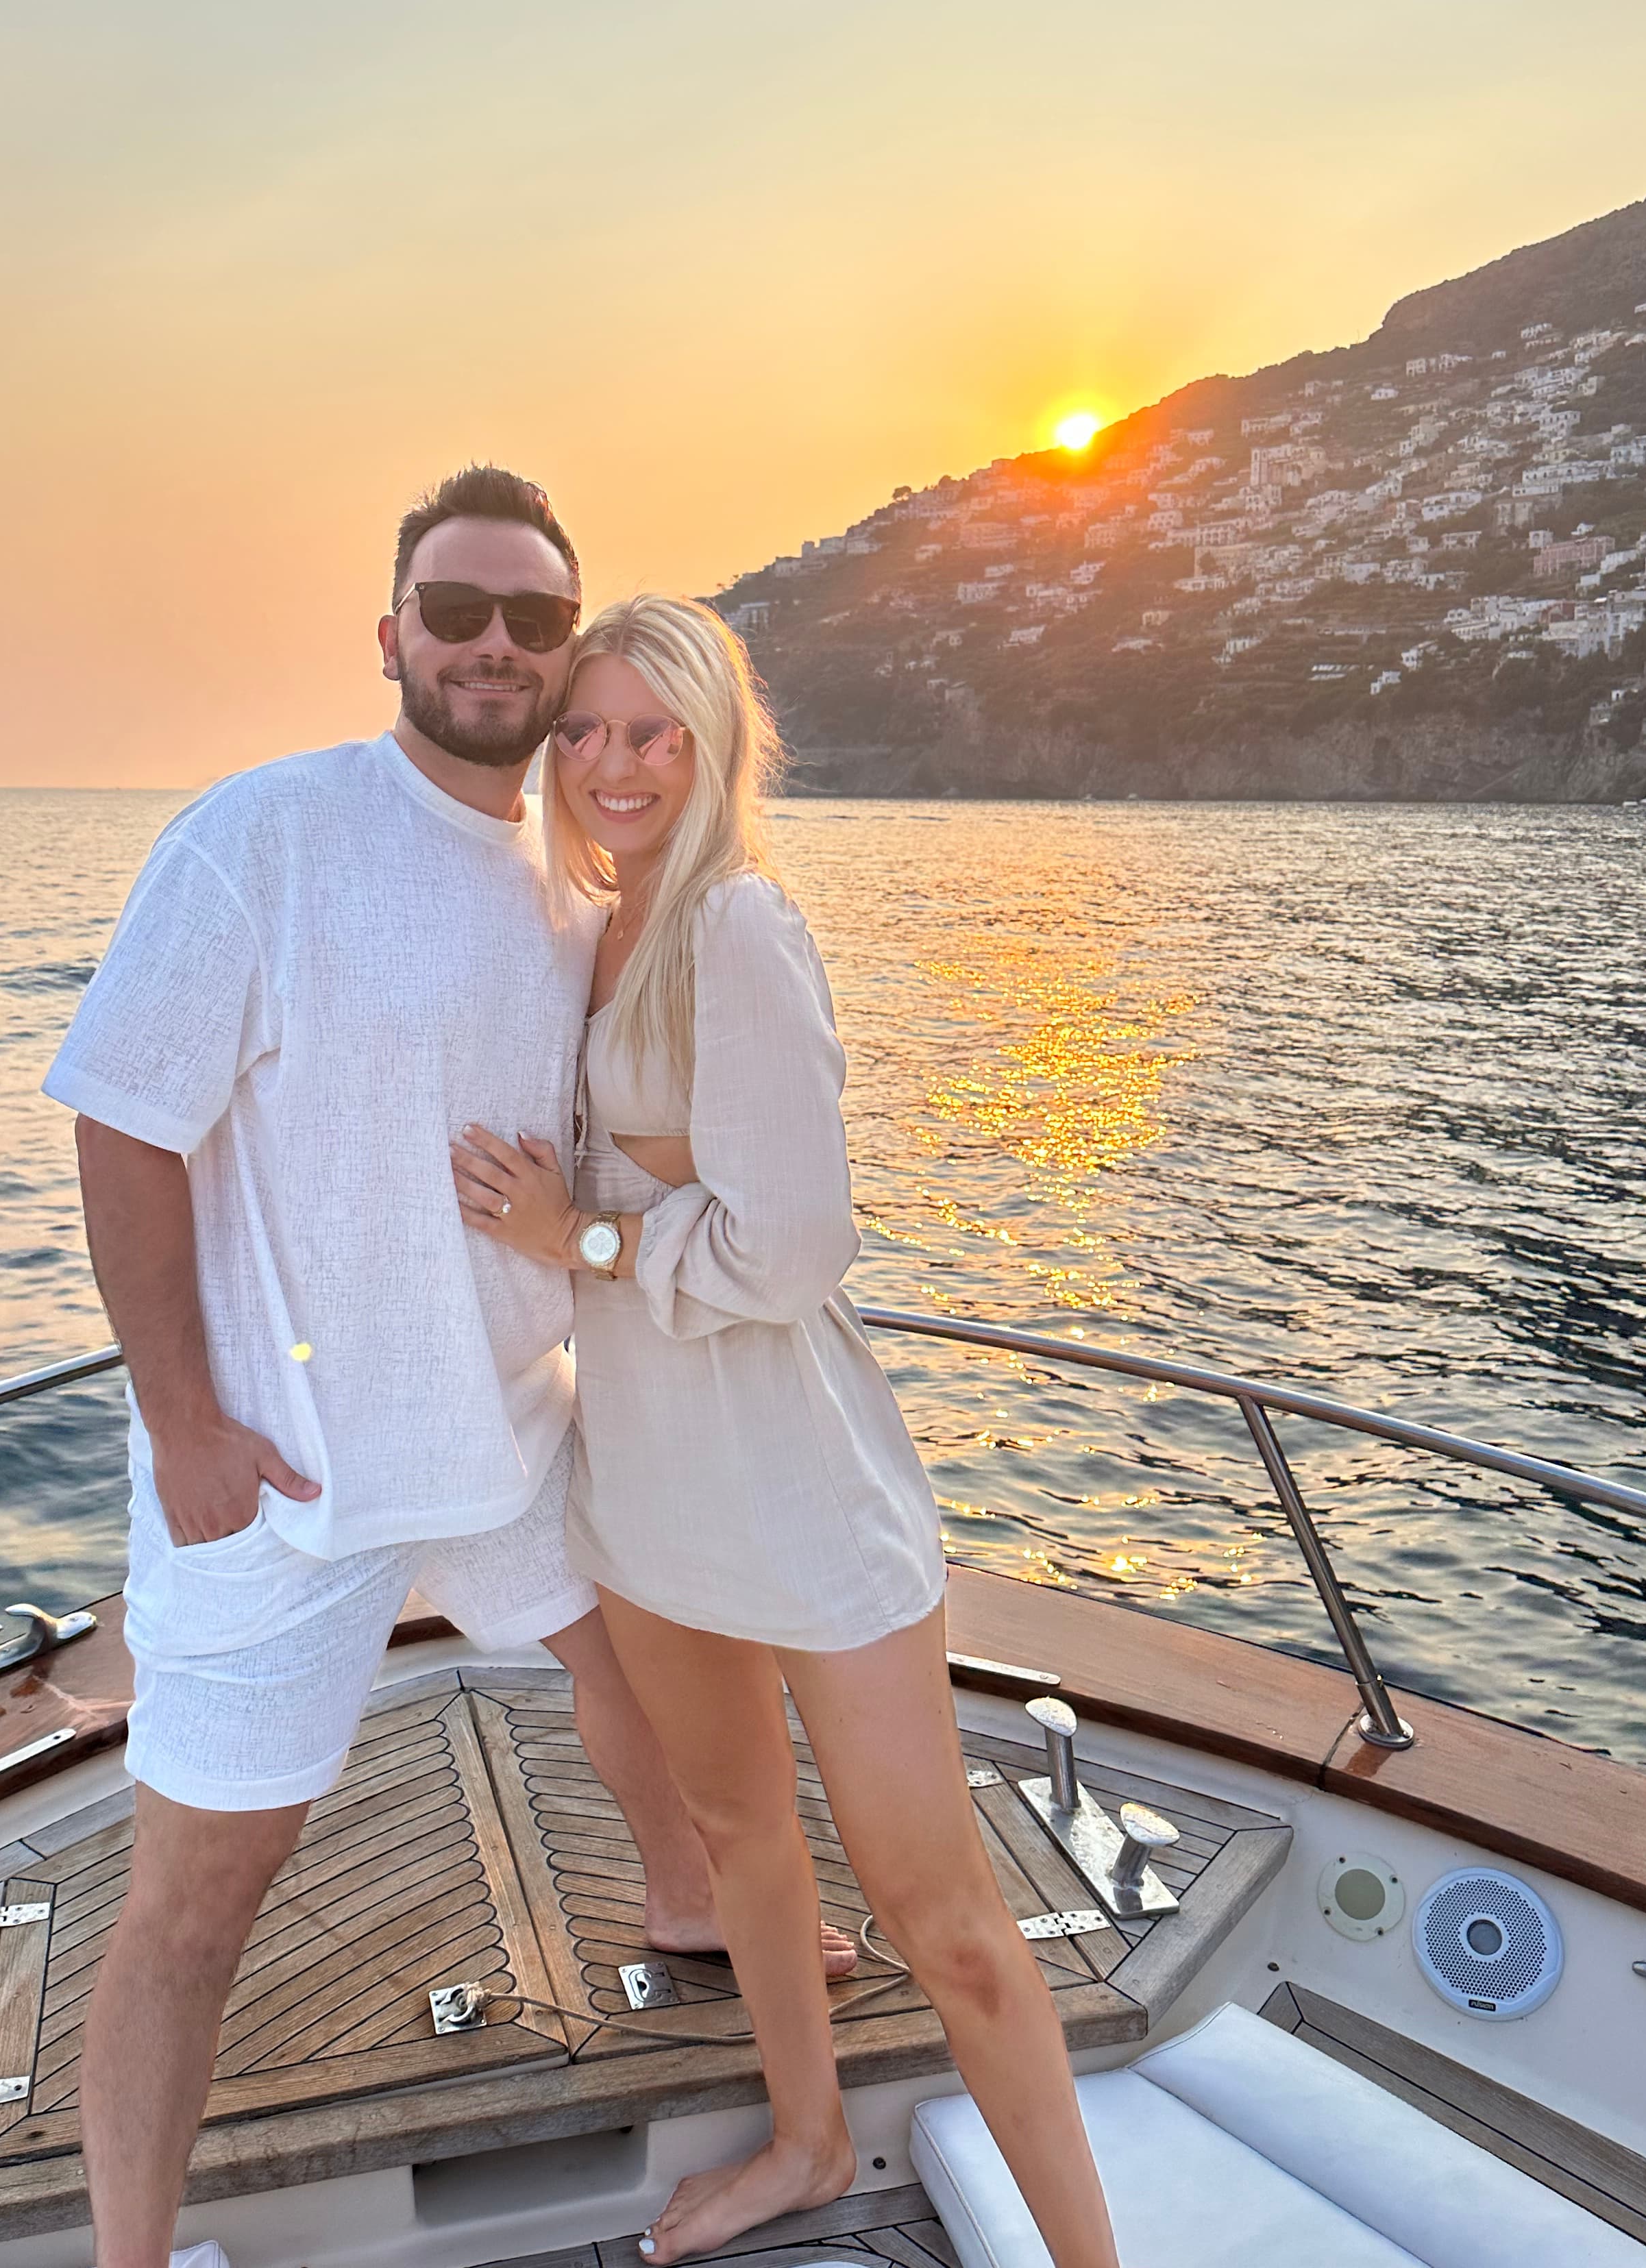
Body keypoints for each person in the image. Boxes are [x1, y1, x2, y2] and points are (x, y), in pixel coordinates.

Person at [44, 472, 848, 2268]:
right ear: (392, 635)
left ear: (566, 650)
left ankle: (690, 1893)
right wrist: (183, 1423)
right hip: (288, 1462)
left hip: (506, 1415)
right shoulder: (265, 836)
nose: (495, 644)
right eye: (457, 611)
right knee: (198, 1899)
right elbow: (122, 1123)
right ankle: (130, 2257)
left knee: (634, 1667)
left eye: (533, 618)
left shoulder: (574, 878)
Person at [453, 593, 1123, 2268]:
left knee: (943, 1920)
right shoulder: (584, 928)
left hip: (804, 1495)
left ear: (716, 745)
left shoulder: (736, 927)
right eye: (583, 729)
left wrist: (578, 1235)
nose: (611, 762)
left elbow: (798, 1249)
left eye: (652, 732)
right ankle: (809, 2142)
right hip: (646, 1489)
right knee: (747, 1843)